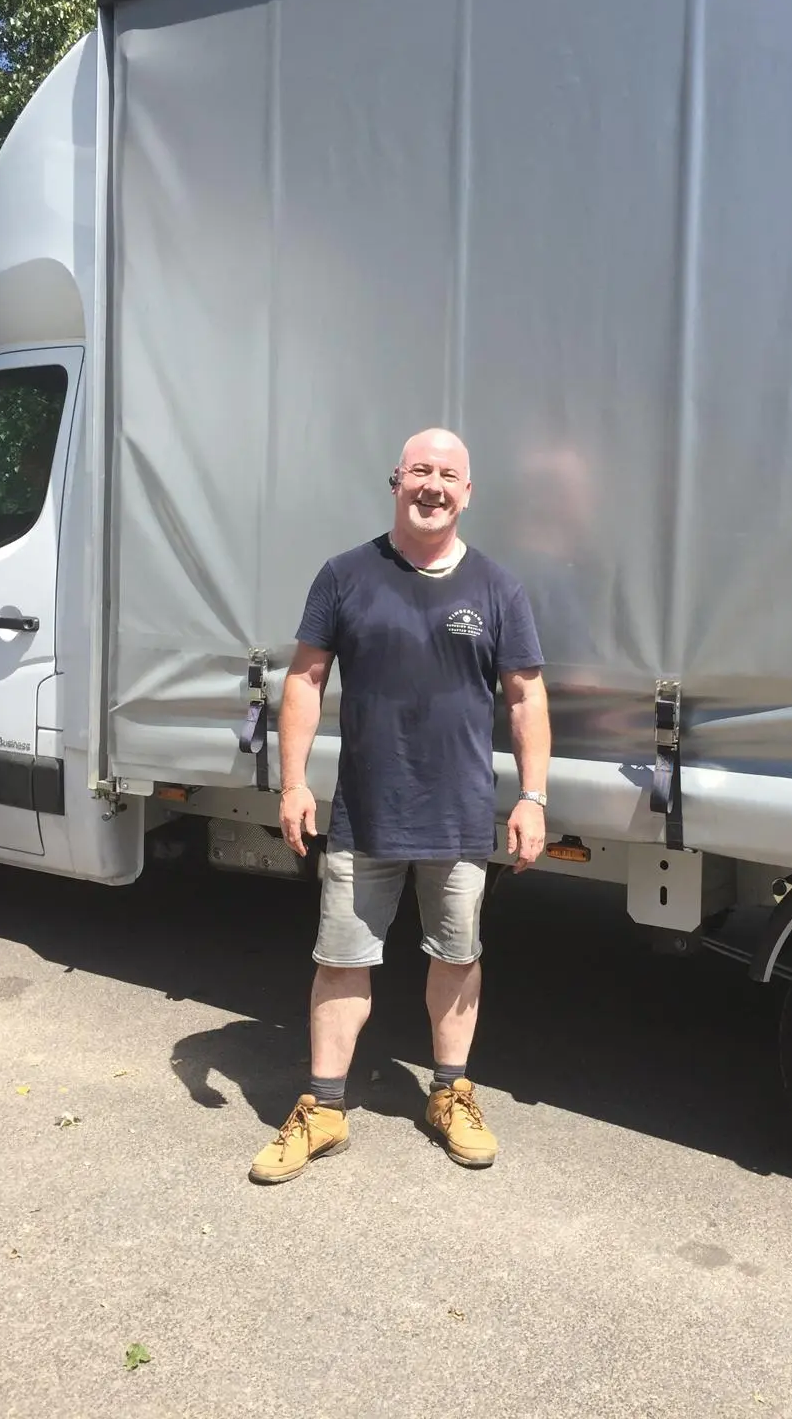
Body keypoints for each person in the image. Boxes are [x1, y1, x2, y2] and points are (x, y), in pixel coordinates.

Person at [250, 428, 551, 1184]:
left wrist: (533, 796)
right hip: (364, 811)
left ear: (468, 492)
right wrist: (292, 782)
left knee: (457, 954)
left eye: (449, 475)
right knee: (341, 962)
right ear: (396, 479)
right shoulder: (346, 575)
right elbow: (305, 682)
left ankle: (450, 1093)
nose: (433, 487)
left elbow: (524, 695)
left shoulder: (497, 587)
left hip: (458, 814)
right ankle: (322, 1109)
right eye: (421, 470)